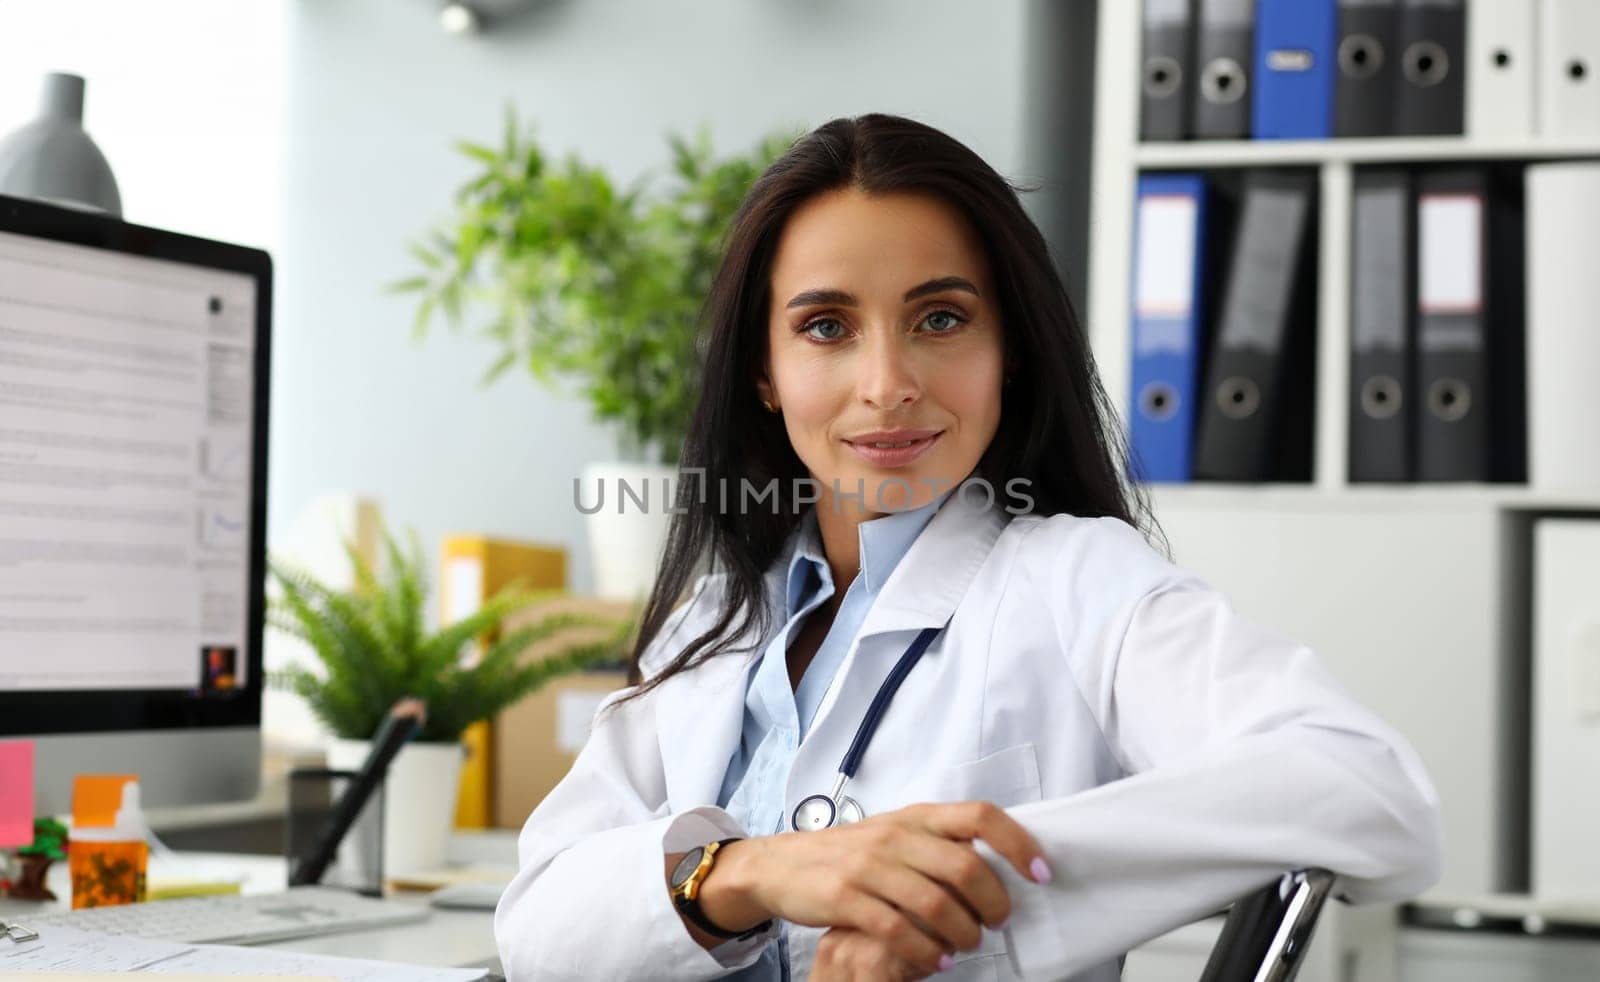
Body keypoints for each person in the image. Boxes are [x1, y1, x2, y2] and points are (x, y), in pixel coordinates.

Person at [494, 114, 1441, 982]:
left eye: (940, 319)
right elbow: (536, 925)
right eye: (826, 327)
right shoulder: (715, 625)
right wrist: (750, 874)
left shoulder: (1078, 581)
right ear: (766, 374)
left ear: (1010, 348)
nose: (888, 382)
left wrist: (964, 883)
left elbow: (1371, 792)